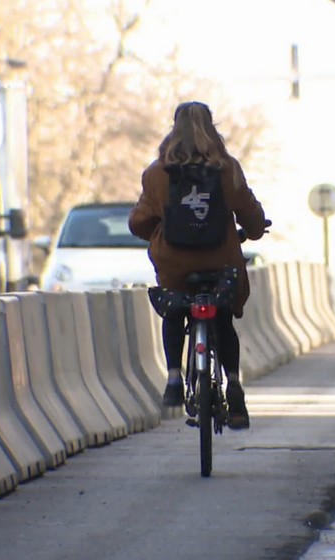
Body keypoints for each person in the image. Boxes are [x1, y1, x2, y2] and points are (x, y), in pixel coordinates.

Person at [129, 101, 268, 430]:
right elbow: (251, 217)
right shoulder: (228, 169)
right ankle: (234, 385)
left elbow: (138, 223)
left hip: (174, 265)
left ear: (173, 129)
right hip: (221, 263)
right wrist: (253, 230)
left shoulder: (157, 173)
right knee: (223, 318)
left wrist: (159, 232)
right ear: (211, 128)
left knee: (175, 310)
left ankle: (174, 379)